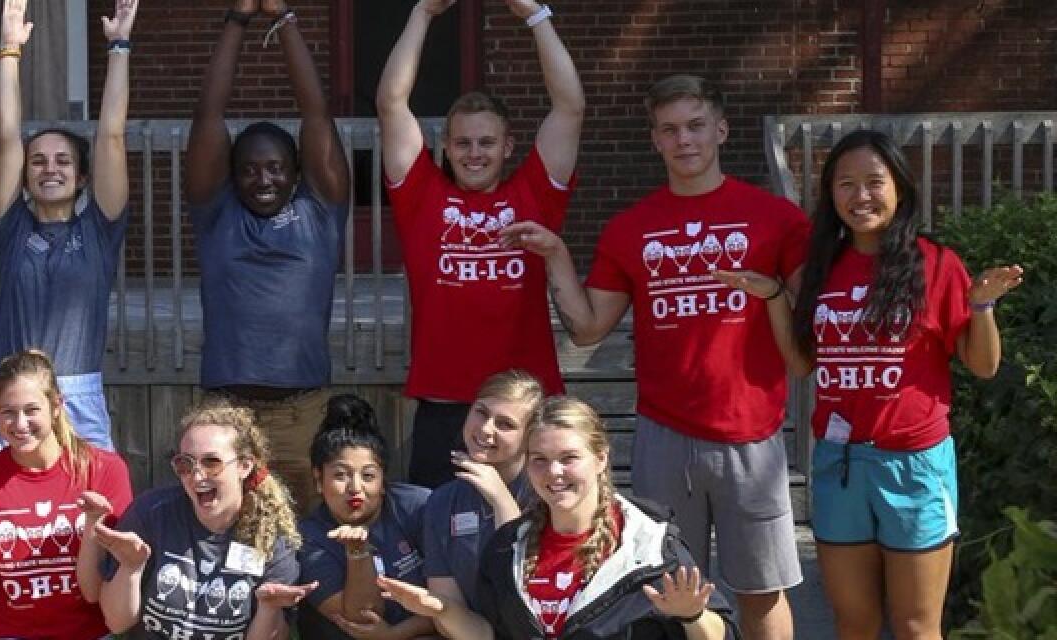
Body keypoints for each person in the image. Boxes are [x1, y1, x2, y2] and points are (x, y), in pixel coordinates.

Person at [502, 74, 809, 640]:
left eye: (695, 126)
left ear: (720, 129)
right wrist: (556, 254)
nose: (684, 140)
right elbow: (590, 326)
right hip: (664, 434)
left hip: (752, 435)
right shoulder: (630, 228)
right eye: (670, 130)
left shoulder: (778, 219)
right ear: (655, 140)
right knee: (661, 589)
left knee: (762, 592)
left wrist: (773, 294)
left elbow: (808, 331)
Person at [712, 129, 1024, 640]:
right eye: (846, 184)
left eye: (874, 182)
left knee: (918, 625)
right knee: (853, 622)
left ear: (899, 187)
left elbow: (982, 365)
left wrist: (982, 306)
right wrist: (772, 297)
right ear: (831, 195)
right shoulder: (822, 267)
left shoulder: (936, 263)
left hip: (916, 467)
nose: (861, 197)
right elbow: (800, 364)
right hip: (840, 464)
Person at [378, 0, 582, 489]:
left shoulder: (533, 194)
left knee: (531, 542)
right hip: (447, 406)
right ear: (445, 147)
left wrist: (535, 15)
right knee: (439, 545)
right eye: (464, 143)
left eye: (487, 143)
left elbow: (570, 106)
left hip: (526, 408)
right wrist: (423, 13)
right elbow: (391, 103)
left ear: (508, 146)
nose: (475, 154)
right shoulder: (421, 197)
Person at [380, 396, 735, 639]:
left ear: (600, 459)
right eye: (539, 460)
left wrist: (692, 616)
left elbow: (723, 633)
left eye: (569, 458)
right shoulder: (508, 548)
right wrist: (441, 610)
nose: (554, 473)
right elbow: (488, 634)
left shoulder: (652, 546)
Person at [186, 0, 352, 509]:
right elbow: (209, 116)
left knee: (305, 539)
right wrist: (236, 19)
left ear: (296, 172)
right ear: (232, 175)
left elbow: (316, 114)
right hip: (227, 412)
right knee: (227, 532)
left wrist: (285, 21)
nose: (264, 179)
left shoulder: (320, 210)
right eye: (250, 170)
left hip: (304, 410)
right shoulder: (217, 213)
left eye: (276, 168)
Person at [0, 0, 137, 465]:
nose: (50, 169)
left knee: (95, 518)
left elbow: (112, 136)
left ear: (82, 176)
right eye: (38, 161)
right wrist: (8, 50)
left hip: (76, 395)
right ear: (25, 175)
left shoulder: (100, 229)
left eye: (63, 161)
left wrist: (119, 45)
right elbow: (6, 135)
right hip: (5, 394)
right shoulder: (11, 227)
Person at [0, 349, 136, 639]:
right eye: (8, 413)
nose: (20, 424)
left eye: (31, 410)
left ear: (56, 406)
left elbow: (95, 593)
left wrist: (93, 526)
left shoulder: (103, 470)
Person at [87, 403, 314, 640]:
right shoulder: (151, 513)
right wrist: (130, 568)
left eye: (211, 462)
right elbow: (117, 623)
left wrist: (269, 608)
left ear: (244, 466)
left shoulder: (269, 536)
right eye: (186, 464)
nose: (197, 476)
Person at [293, 394, 435, 639]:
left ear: (383, 481)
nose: (355, 488)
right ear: (318, 480)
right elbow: (362, 620)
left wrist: (397, 634)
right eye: (341, 475)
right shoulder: (307, 538)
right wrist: (357, 553)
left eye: (368, 476)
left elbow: (456, 600)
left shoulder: (419, 506)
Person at [418, 370, 544, 613]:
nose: (486, 429)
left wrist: (500, 498)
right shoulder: (442, 501)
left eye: (505, 424)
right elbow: (447, 605)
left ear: (530, 437)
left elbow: (528, 589)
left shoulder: (545, 492)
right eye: (481, 412)